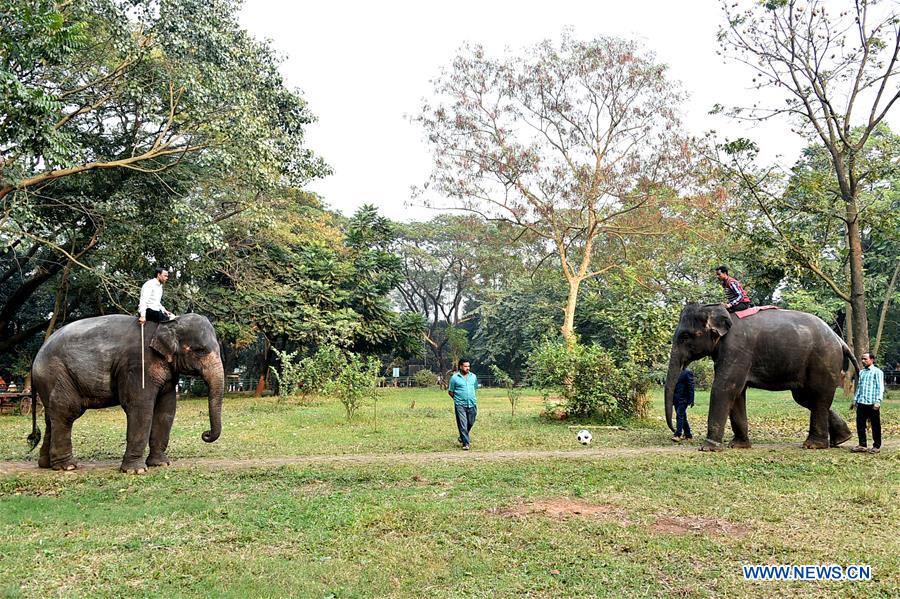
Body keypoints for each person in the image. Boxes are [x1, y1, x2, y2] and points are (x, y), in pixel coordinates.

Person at [851, 352, 884, 454]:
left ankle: (876, 446)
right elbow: (859, 387)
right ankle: (862, 445)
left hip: (872, 404)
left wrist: (878, 402)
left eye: (865, 359)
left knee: (875, 425)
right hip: (862, 403)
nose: (863, 361)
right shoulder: (861, 373)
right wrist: (855, 400)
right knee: (860, 424)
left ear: (872, 359)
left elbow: (880, 388)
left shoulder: (877, 372)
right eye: (862, 359)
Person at [448, 358, 478, 450]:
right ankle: (466, 443)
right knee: (463, 424)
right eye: (465, 366)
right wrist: (457, 400)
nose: (467, 368)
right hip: (460, 404)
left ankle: (462, 437)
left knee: (471, 422)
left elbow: (475, 388)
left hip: (472, 403)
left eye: (468, 366)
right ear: (460, 366)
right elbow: (451, 392)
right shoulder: (454, 378)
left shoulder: (473, 376)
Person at [672, 367, 695, 442]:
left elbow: (691, 386)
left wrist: (691, 400)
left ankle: (678, 434)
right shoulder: (674, 371)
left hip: (684, 399)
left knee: (679, 415)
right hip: (676, 399)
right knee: (682, 416)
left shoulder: (687, 372)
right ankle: (688, 434)